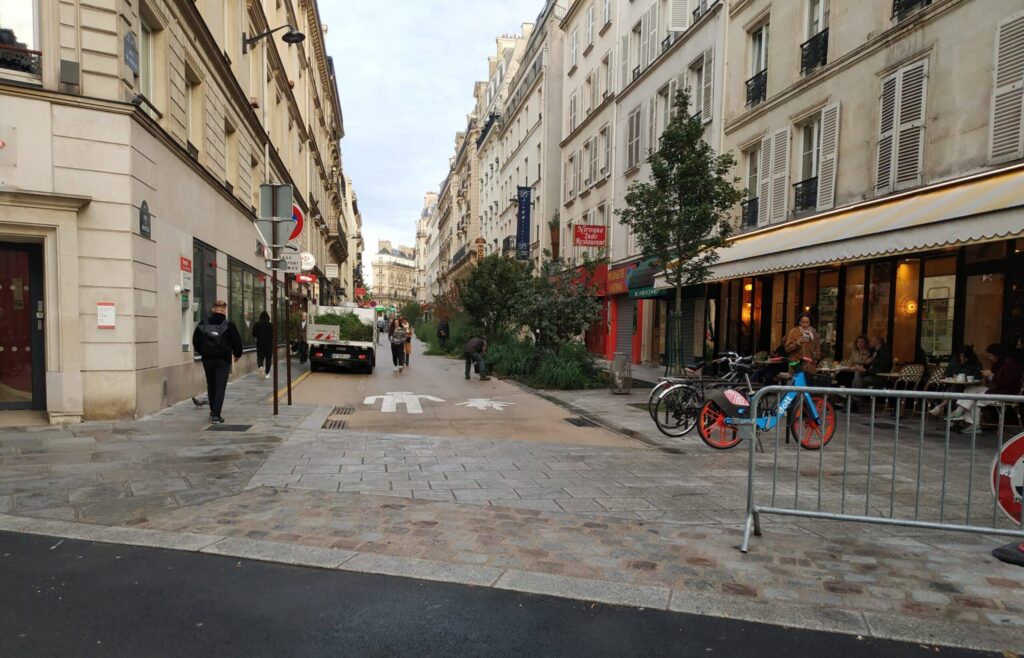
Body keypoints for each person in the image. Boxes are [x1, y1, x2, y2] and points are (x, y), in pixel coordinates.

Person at [192, 300, 243, 423]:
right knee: (220, 386)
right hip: (223, 360)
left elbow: (195, 340)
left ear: (213, 309)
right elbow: (237, 342)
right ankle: (216, 414)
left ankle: (212, 411)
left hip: (207, 359)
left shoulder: (203, 323)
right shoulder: (229, 324)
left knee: (211, 384)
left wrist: (202, 352)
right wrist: (237, 354)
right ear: (224, 310)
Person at [953, 343, 1021, 432]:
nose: (990, 358)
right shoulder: (999, 363)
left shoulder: (1009, 364)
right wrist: (989, 375)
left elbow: (1004, 382)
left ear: (997, 355)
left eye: (991, 356)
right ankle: (959, 412)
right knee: (971, 389)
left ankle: (974, 425)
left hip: (1005, 393)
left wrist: (991, 376)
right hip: (997, 390)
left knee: (974, 399)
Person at [253, 311, 274, 379]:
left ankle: (261, 366)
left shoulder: (257, 324)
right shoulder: (271, 325)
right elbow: (273, 335)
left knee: (260, 357)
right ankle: (267, 373)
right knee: (268, 358)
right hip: (269, 344)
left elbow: (253, 333)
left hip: (260, 344)